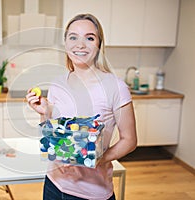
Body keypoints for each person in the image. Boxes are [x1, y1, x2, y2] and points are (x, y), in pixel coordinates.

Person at [26, 13, 137, 200]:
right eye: (73, 37)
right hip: (53, 184)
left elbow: (130, 140)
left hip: (91, 193)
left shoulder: (116, 87)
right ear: (66, 44)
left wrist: (99, 159)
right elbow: (54, 135)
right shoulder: (57, 84)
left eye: (89, 38)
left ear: (99, 44)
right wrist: (45, 113)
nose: (80, 44)